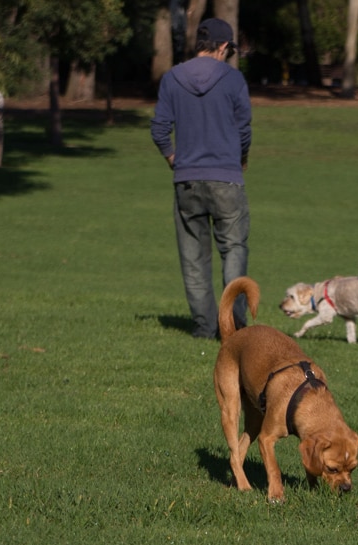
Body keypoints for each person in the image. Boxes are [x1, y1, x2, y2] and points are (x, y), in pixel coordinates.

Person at [150, 18, 252, 339]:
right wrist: (241, 159)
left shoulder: (172, 78)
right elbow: (244, 129)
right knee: (233, 249)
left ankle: (204, 327)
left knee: (193, 257)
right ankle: (233, 327)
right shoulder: (234, 80)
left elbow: (159, 129)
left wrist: (173, 159)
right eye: (229, 51)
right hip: (226, 178)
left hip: (187, 181)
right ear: (222, 47)